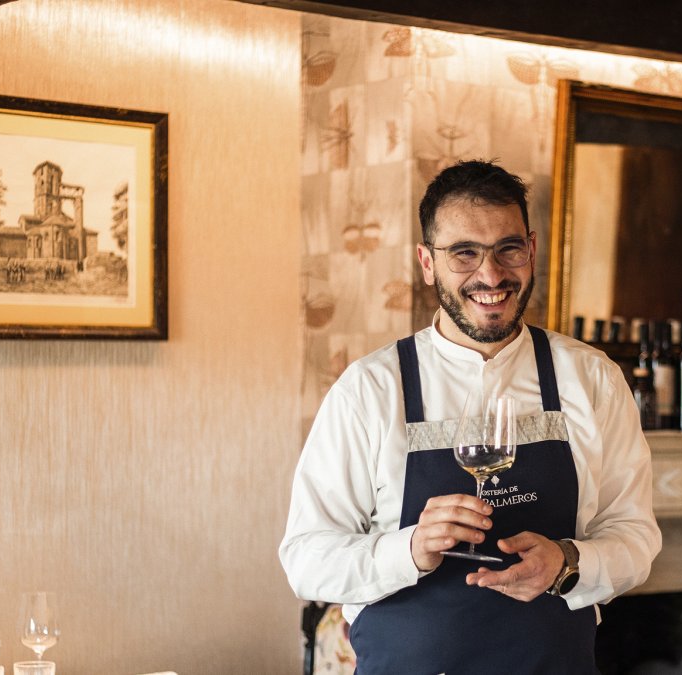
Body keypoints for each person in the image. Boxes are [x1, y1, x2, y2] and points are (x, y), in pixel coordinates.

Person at [280, 160, 661, 674]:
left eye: (509, 248)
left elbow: (635, 538)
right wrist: (410, 548)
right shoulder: (369, 390)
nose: (491, 274)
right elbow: (306, 559)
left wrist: (569, 562)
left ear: (531, 248)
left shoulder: (592, 380)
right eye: (464, 253)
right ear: (427, 262)